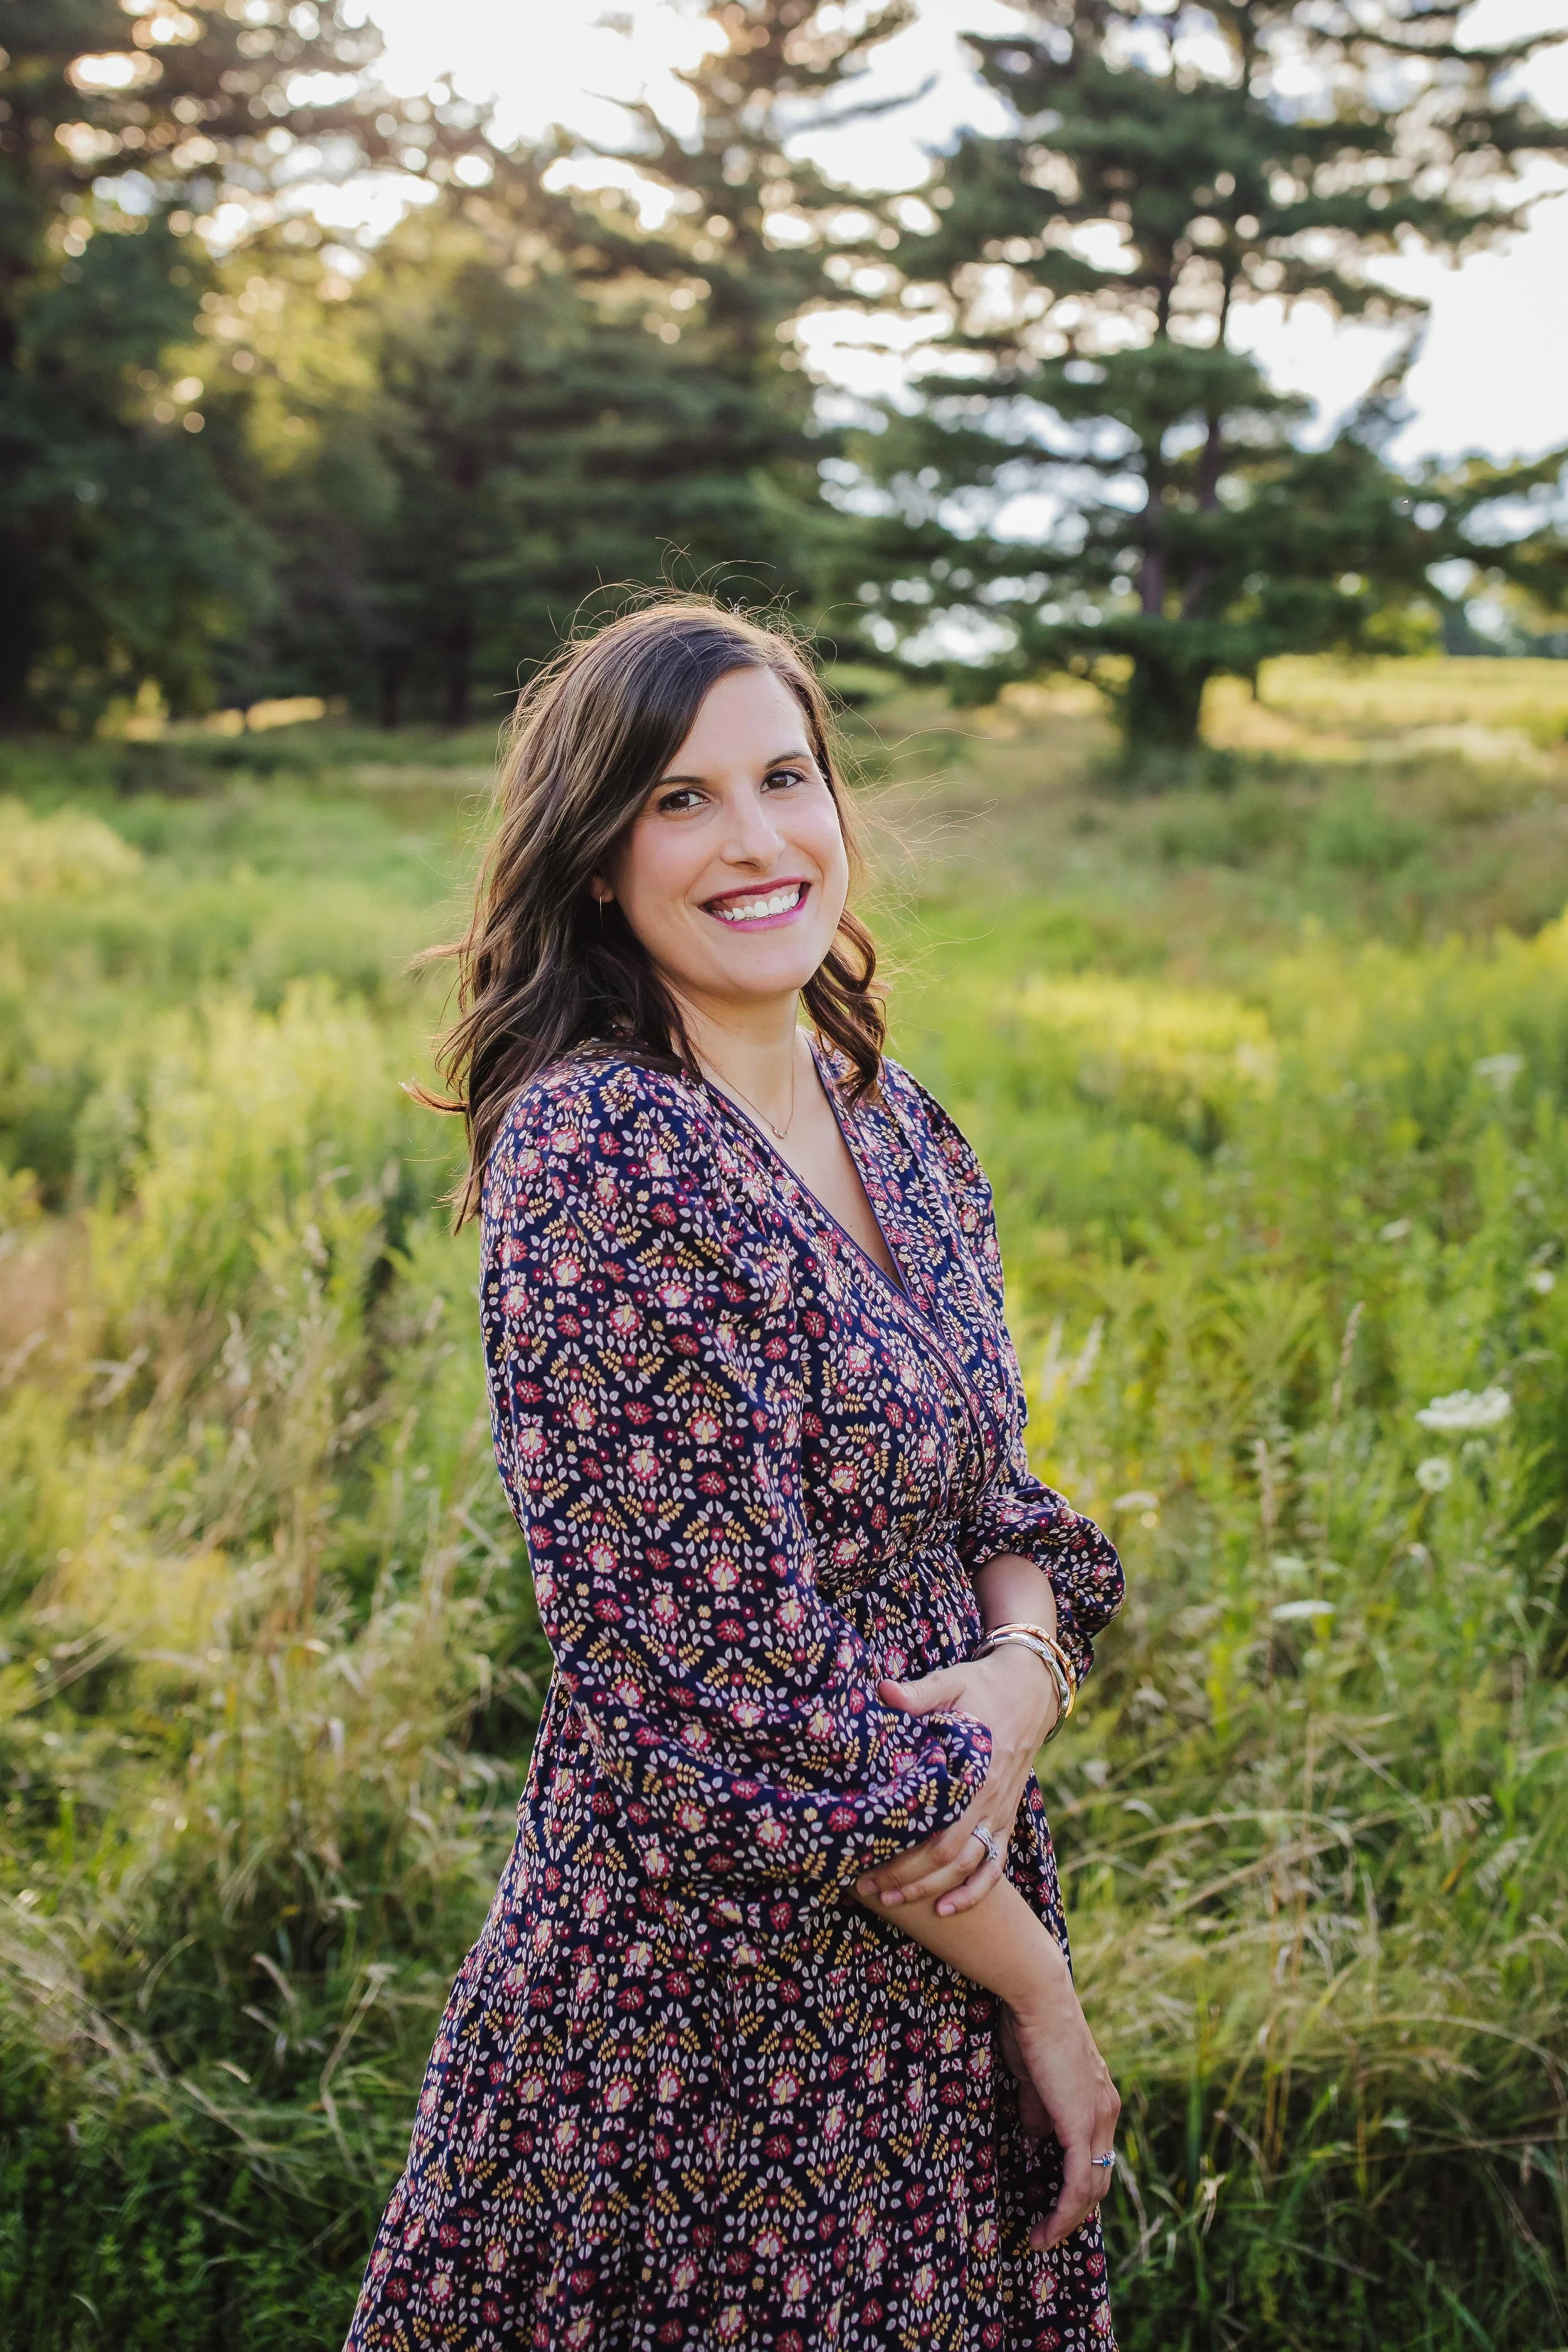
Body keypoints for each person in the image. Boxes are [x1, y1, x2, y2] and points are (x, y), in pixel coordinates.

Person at [345, 600, 1126, 2352]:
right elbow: (713, 1686)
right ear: (597, 856)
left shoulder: (897, 1120)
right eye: (680, 799)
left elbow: (1006, 1510)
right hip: (709, 2015)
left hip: (933, 1936)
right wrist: (1038, 1984)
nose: (758, 839)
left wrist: (1015, 1678)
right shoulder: (600, 1149)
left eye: (785, 775)